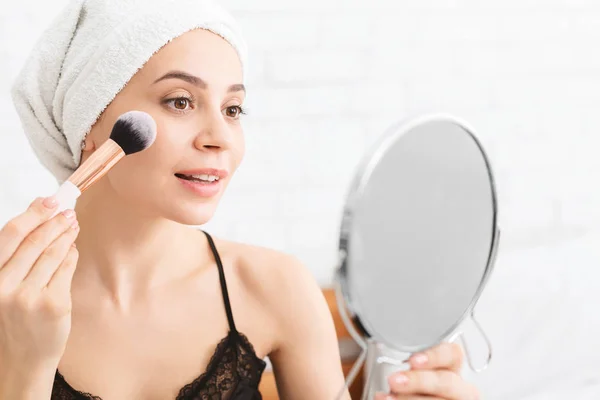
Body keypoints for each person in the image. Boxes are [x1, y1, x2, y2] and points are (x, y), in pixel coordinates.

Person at [1, 0, 480, 399]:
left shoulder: (275, 289)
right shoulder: (12, 302)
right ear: (88, 126)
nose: (220, 138)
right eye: (180, 101)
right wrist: (26, 368)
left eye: (233, 109)